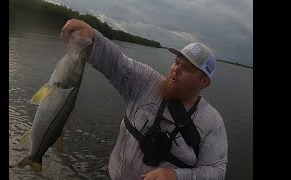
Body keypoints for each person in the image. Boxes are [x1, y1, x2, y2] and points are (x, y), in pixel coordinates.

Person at [60, 19, 228, 180]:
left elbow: (216, 172)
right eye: (177, 62)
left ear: (203, 82)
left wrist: (175, 176)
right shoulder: (147, 83)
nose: (176, 69)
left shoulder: (212, 122)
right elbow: (118, 63)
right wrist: (92, 37)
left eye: (187, 68)